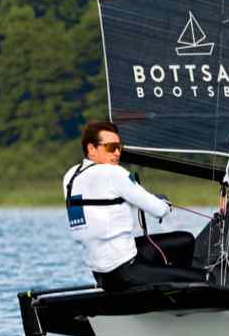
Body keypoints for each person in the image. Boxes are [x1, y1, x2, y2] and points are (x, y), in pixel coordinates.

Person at [64, 120, 203, 291]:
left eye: (119, 147)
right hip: (126, 272)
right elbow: (159, 210)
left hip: (100, 273)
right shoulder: (113, 172)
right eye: (110, 147)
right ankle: (180, 295)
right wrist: (164, 203)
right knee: (203, 278)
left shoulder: (70, 176)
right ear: (91, 149)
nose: (117, 153)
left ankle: (171, 286)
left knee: (184, 240)